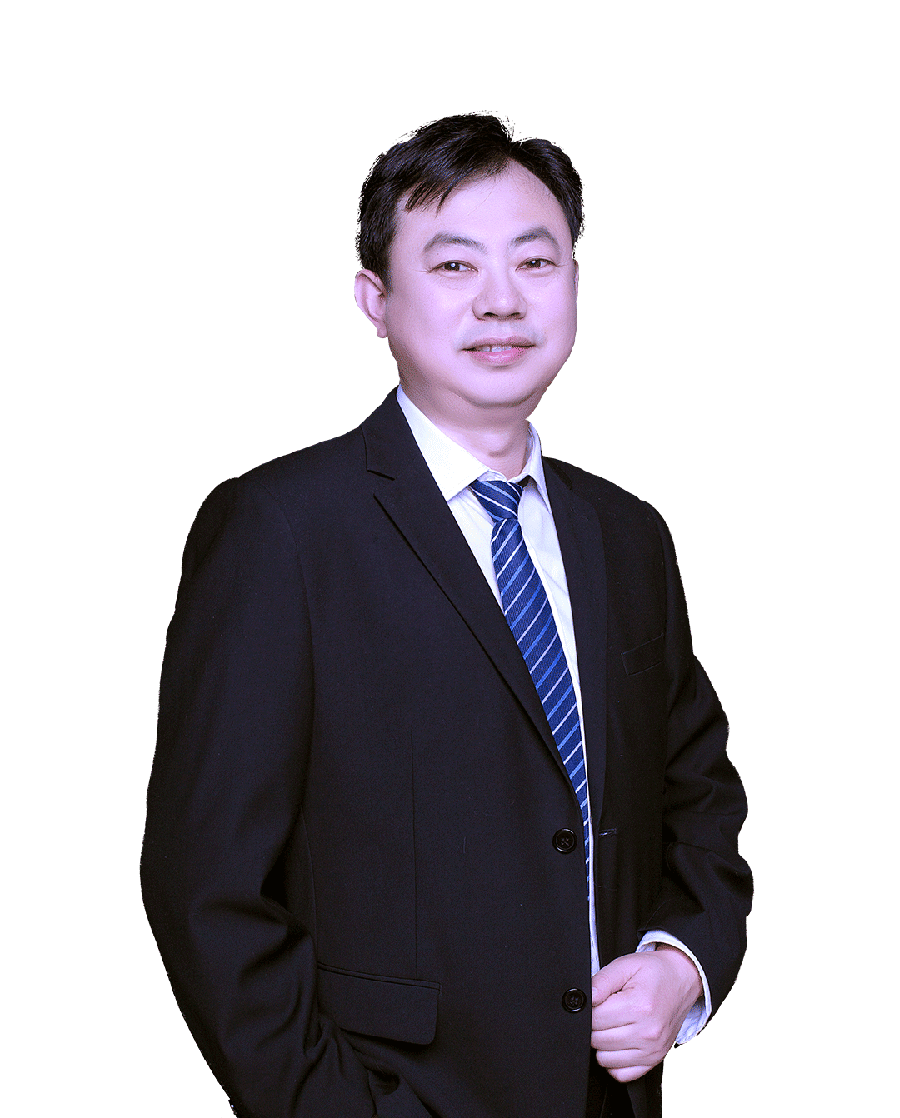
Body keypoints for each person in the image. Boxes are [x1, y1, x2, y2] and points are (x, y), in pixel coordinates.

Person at [142, 114, 752, 1118]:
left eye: (536, 261)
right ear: (376, 299)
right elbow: (205, 885)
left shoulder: (627, 535)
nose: (502, 298)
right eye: (455, 263)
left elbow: (699, 797)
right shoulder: (281, 532)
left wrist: (682, 961)